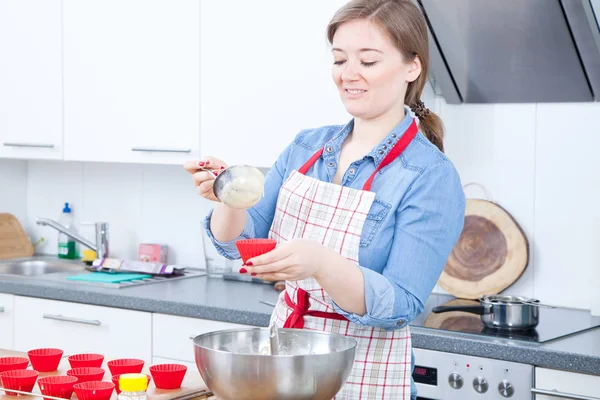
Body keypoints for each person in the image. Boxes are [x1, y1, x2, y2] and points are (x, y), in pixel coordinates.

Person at [184, 0, 465, 398]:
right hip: (283, 366)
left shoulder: (430, 176)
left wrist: (321, 263)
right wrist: (226, 193)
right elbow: (238, 243)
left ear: (412, 67)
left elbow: (400, 304)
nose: (349, 74)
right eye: (339, 60)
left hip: (367, 375)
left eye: (367, 61)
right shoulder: (306, 147)